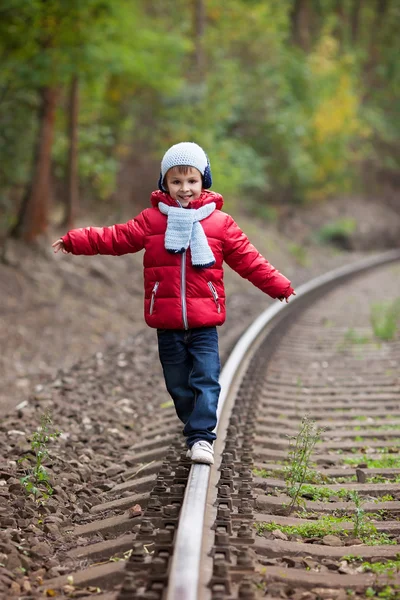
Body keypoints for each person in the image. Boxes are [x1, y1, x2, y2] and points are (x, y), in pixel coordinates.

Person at [52, 142, 295, 465]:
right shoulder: (152, 221)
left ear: (203, 181)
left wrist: (280, 286)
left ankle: (201, 437)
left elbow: (250, 260)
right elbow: (114, 237)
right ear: (164, 184)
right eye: (176, 181)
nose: (185, 189)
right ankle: (192, 425)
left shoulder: (220, 224)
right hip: (166, 322)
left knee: (206, 379)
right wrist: (74, 240)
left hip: (204, 321)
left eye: (192, 181)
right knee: (179, 386)